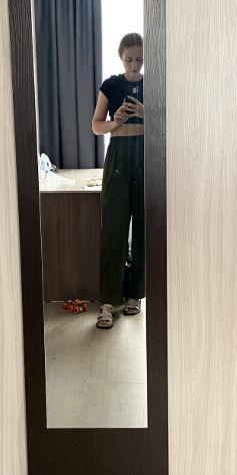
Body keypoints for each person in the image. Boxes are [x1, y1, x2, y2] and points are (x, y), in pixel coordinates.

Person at [91, 33, 145, 329]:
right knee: (113, 227)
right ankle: (108, 301)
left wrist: (146, 112)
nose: (134, 65)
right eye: (129, 59)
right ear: (120, 56)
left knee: (144, 229)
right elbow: (96, 126)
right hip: (119, 156)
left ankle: (135, 294)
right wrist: (117, 121)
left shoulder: (155, 84)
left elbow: (170, 124)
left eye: (139, 59)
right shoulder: (111, 85)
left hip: (147, 156)